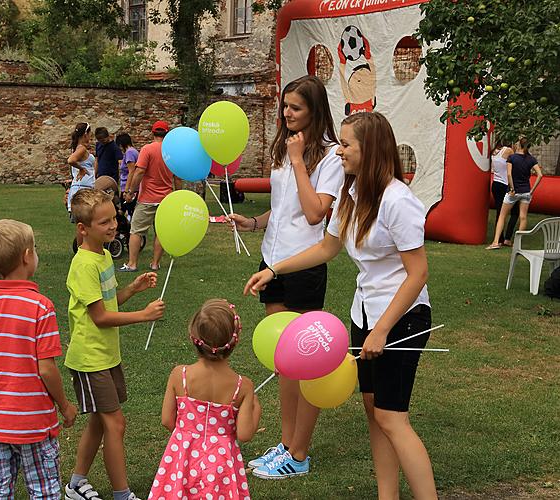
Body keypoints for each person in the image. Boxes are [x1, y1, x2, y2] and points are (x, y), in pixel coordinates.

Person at [245, 112, 437, 500]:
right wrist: (274, 270)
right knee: (374, 413)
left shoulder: (399, 200)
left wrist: (382, 329)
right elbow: (325, 247)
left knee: (392, 417)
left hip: (402, 318)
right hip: (364, 313)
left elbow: (417, 275)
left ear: (371, 150)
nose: (340, 151)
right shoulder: (352, 195)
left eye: (347, 145)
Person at [229, 75, 344, 479]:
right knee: (281, 361)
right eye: (284, 106)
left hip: (303, 266)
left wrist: (299, 161)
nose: (286, 114)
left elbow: (315, 214)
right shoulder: (285, 146)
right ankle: (285, 443)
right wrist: (255, 222)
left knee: (302, 362)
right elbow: (284, 210)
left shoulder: (330, 157)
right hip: (271, 259)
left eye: (295, 108)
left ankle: (299, 453)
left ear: (315, 110)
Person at [0, 219, 78, 499]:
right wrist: (64, 405)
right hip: (34, 422)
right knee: (44, 489)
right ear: (28, 257)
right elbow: (47, 368)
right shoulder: (41, 307)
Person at [64, 189, 166, 500]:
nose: (113, 226)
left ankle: (75, 484)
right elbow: (100, 318)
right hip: (89, 358)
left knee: (99, 420)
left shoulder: (105, 255)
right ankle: (122, 494)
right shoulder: (83, 265)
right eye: (104, 222)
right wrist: (143, 316)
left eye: (114, 219)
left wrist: (132, 290)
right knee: (115, 423)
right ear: (83, 229)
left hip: (107, 356)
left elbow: (108, 303)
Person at [148, 299, 261, 500]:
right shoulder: (242, 386)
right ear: (235, 340)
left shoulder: (179, 375)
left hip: (183, 457)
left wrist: (190, 433)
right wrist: (256, 408)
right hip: (221, 463)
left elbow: (167, 420)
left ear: (194, 337)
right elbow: (244, 434)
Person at [120, 120, 181, 272]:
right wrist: (178, 195)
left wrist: (131, 191)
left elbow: (139, 172)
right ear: (166, 134)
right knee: (160, 232)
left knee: (136, 231)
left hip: (147, 198)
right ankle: (155, 264)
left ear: (152, 133)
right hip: (166, 199)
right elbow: (177, 177)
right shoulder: (172, 151)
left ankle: (132, 264)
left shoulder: (147, 149)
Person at [487, 137, 544, 250]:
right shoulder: (531, 159)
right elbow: (540, 175)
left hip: (514, 191)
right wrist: (532, 190)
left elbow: (509, 174)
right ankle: (518, 244)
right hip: (526, 191)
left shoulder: (512, 158)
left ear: (519, 145)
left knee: (502, 215)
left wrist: (512, 188)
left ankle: (495, 242)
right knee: (522, 217)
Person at [69, 122, 97, 247]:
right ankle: (82, 249)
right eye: (90, 134)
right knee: (83, 223)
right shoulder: (81, 149)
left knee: (84, 222)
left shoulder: (79, 147)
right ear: (85, 134)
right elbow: (71, 160)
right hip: (82, 189)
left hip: (82, 187)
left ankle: (85, 247)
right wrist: (81, 168)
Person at [489, 140, 519, 246]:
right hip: (505, 184)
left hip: (496, 184)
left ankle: (499, 238)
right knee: (515, 212)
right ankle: (507, 238)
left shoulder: (494, 152)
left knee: (499, 212)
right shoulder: (508, 150)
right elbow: (517, 162)